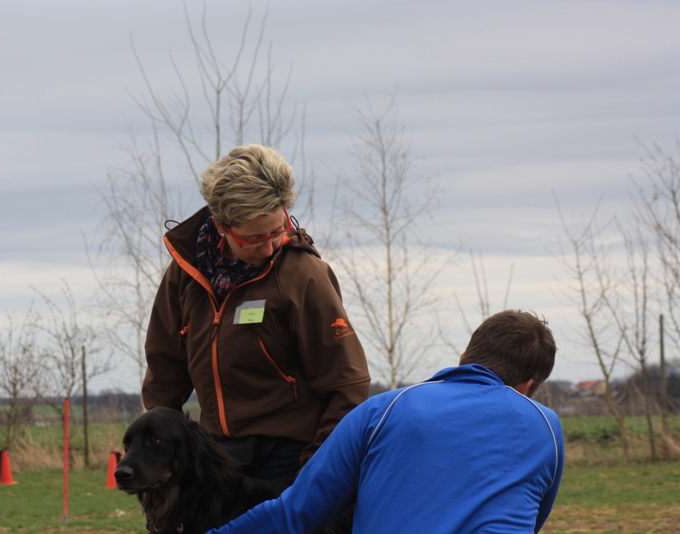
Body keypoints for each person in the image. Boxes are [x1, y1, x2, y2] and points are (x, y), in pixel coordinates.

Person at [206, 310, 564, 533]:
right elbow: (532, 519)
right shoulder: (547, 428)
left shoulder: (383, 410)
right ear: (528, 386)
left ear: (463, 358)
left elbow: (295, 514)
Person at [142, 144, 371, 480]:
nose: (268, 248)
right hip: (217, 458)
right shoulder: (185, 275)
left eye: (277, 232)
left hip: (293, 458)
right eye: (253, 238)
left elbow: (348, 385)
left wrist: (316, 470)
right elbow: (165, 370)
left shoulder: (304, 275)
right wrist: (161, 456)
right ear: (221, 225)